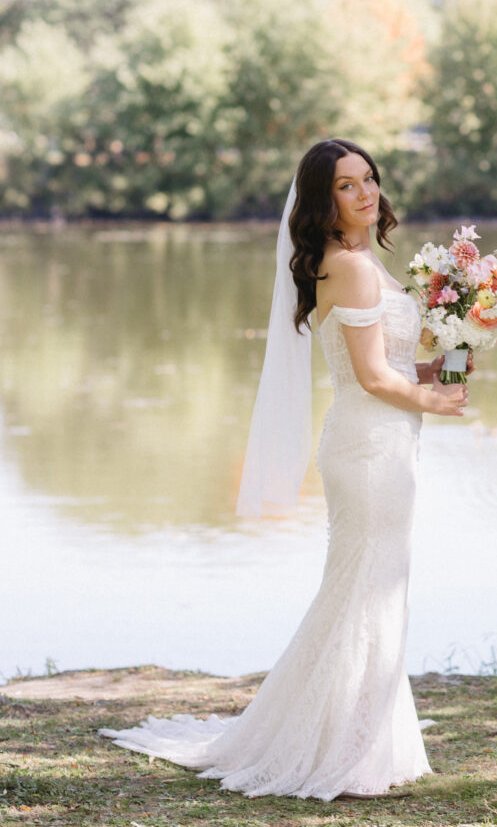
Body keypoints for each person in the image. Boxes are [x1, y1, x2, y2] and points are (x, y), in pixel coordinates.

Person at [99, 138, 469, 800]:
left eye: (368, 180)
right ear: (321, 201)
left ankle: (359, 735)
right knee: (363, 589)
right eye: (345, 186)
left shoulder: (356, 261)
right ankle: (347, 749)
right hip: (369, 448)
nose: (364, 194)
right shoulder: (348, 268)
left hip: (382, 439)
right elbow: (370, 377)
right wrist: (433, 401)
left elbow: (391, 364)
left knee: (369, 587)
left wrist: (461, 349)